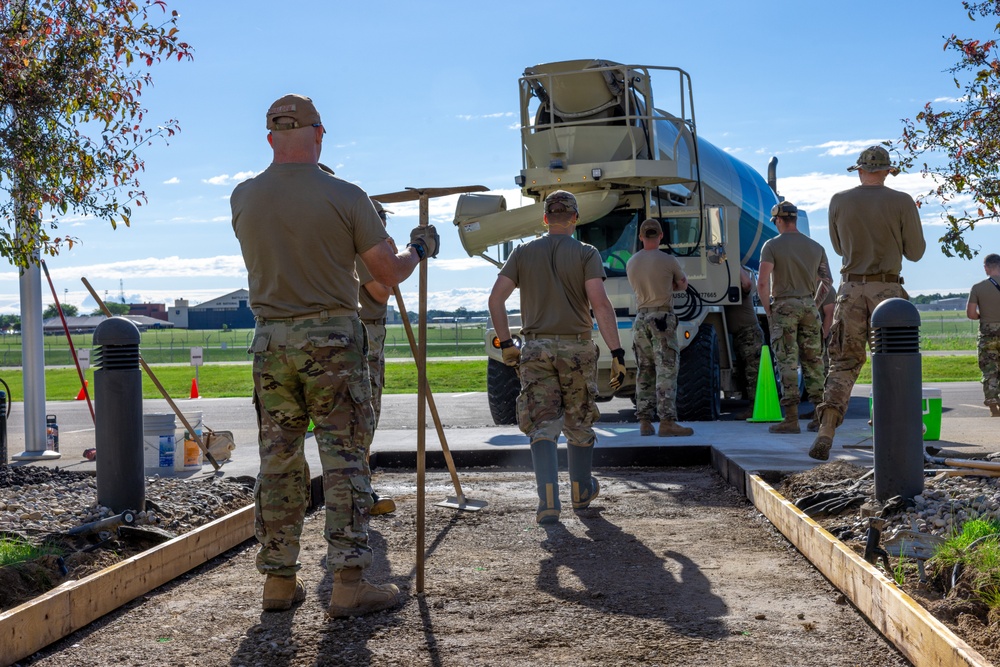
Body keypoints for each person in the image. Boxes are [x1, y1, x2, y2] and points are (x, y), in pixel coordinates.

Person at [231, 93, 438, 616]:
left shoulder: (244, 197)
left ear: (270, 136)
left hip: (270, 341)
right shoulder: (348, 196)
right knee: (344, 460)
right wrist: (417, 249)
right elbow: (385, 275)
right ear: (319, 134)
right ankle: (348, 581)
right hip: (333, 342)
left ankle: (278, 581)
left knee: (278, 460)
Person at [487, 190, 626, 525]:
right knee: (578, 421)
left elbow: (495, 300)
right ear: (575, 219)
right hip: (577, 349)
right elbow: (600, 304)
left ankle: (548, 502)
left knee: (542, 425)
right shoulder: (586, 253)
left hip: (534, 349)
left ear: (546, 218)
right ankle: (581, 492)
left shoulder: (522, 253)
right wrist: (617, 352)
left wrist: (507, 343)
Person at [810, 145, 926, 460]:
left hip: (850, 291)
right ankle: (896, 429)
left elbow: (837, 247)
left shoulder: (838, 201)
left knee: (844, 363)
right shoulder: (902, 202)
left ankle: (827, 428)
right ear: (887, 171)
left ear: (859, 170)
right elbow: (915, 253)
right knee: (895, 362)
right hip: (888, 294)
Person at [757, 201, 832, 434]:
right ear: (795, 219)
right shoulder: (816, 246)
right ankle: (820, 417)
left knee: (787, 362)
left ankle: (791, 419)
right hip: (809, 307)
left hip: (783, 307)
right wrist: (814, 303)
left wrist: (769, 309)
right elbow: (827, 282)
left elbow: (762, 282)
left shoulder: (771, 246)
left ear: (779, 220)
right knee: (814, 362)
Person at [625, 218, 694, 437]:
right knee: (666, 369)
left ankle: (645, 422)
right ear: (661, 236)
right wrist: (671, 284)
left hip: (641, 319)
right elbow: (683, 284)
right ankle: (667, 421)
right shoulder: (668, 260)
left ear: (641, 237)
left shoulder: (632, 262)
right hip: (662, 318)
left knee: (644, 370)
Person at [356, 199, 397, 516]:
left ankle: (361, 485)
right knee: (365, 413)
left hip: (373, 333)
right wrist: (393, 259)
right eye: (381, 220)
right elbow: (382, 291)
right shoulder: (361, 250)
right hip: (365, 334)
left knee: (370, 412)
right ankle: (359, 489)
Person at [725, 265, 765, 420]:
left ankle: (756, 409)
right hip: (740, 335)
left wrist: (734, 262)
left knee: (753, 374)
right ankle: (753, 407)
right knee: (745, 374)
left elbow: (747, 283)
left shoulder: (743, 281)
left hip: (749, 334)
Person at [966, 253, 1000, 416]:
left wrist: (984, 315)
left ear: (986, 268)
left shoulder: (978, 288)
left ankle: (993, 403)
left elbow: (971, 314)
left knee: (990, 369)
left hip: (988, 334)